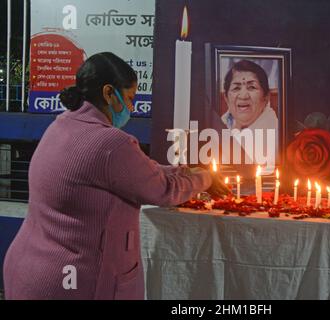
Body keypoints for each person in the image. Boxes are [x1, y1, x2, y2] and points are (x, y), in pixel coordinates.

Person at [3, 52, 230, 300]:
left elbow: (134, 172)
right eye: (130, 98)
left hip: (27, 270)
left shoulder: (61, 125)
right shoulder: (111, 143)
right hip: (74, 282)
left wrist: (183, 171)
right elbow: (163, 190)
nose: (132, 108)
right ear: (109, 93)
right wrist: (204, 178)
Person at [221, 59, 278, 173]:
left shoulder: (275, 133)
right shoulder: (221, 123)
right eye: (236, 88)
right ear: (226, 98)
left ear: (266, 97)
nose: (243, 95)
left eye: (252, 87)